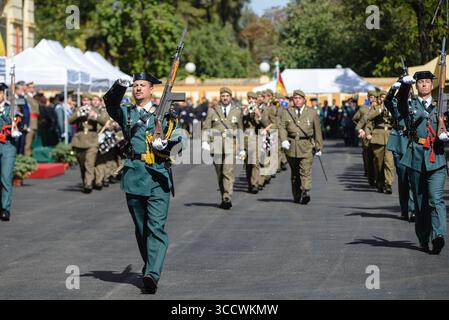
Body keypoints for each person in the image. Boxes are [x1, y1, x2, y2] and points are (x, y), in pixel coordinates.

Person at [104, 73, 183, 293]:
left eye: (142, 85)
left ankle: (152, 275)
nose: (138, 88)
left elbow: (180, 139)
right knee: (141, 229)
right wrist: (118, 87)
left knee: (155, 227)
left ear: (151, 90)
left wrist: (166, 144)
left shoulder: (166, 113)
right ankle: (150, 265)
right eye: (135, 85)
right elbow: (110, 105)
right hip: (135, 176)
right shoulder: (127, 113)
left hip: (158, 176)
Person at [396, 71, 447, 254]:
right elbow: (399, 102)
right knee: (420, 202)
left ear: (432, 85)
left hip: (437, 157)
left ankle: (439, 235)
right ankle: (424, 238)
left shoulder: (442, 105)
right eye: (420, 82)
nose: (424, 84)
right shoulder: (410, 105)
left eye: (427, 82)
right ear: (416, 85)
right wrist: (404, 85)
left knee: (436, 199)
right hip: (416, 157)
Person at [202, 87, 245, 209]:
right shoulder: (212, 111)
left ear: (231, 97)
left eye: (227, 96)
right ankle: (223, 196)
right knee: (220, 174)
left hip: (231, 146)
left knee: (228, 172)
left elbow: (240, 129)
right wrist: (205, 141)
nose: (225, 98)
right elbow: (206, 127)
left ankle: (227, 197)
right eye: (223, 96)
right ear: (220, 97)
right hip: (216, 147)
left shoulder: (237, 111)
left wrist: (241, 148)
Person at [279, 90, 323, 204]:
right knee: (295, 173)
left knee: (305, 170)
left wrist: (319, 147)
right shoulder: (287, 112)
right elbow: (282, 127)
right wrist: (283, 139)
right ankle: (296, 194)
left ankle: (305, 191)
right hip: (291, 146)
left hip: (306, 146)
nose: (297, 100)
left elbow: (317, 131)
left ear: (304, 100)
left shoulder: (312, 112)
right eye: (295, 98)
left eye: (299, 98)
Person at [384, 82, 415, 221]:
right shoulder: (395, 103)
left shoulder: (416, 103)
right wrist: (392, 89)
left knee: (413, 178)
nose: (408, 91)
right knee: (403, 178)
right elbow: (387, 101)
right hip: (399, 141)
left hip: (413, 142)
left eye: (409, 88)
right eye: (406, 88)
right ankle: (404, 208)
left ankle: (413, 209)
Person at [69, 94, 108, 193]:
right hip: (79, 141)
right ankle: (85, 180)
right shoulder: (78, 110)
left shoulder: (96, 110)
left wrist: (95, 116)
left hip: (92, 141)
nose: (85, 103)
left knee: (89, 163)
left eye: (87, 100)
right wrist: (78, 114)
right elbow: (70, 121)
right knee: (82, 165)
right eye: (84, 101)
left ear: (90, 102)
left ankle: (88, 184)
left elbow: (105, 122)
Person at [0, 83, 23, 221]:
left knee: (5, 177)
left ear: (3, 94)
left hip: (7, 145)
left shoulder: (11, 108)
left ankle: (5, 208)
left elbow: (15, 123)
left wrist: (14, 119)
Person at [367, 90, 394, 194]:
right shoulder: (375, 108)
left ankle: (389, 184)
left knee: (389, 162)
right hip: (378, 138)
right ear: (378, 99)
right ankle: (380, 182)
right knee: (379, 163)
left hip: (390, 137)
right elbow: (368, 118)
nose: (383, 99)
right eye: (381, 97)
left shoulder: (392, 108)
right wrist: (380, 110)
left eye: (385, 97)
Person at [243, 91, 262, 193]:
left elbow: (264, 123)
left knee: (255, 162)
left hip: (256, 137)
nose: (251, 100)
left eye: (253, 99)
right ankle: (250, 184)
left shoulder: (261, 109)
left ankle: (255, 184)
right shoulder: (244, 109)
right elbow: (240, 122)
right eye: (249, 98)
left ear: (256, 100)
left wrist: (258, 114)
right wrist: (245, 112)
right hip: (246, 138)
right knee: (247, 163)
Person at [24, 82, 40, 157]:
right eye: (31, 87)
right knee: (28, 143)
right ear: (27, 88)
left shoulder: (32, 97)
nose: (33, 89)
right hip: (30, 122)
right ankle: (27, 159)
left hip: (34, 122)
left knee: (31, 143)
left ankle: (29, 158)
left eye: (33, 87)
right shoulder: (26, 97)